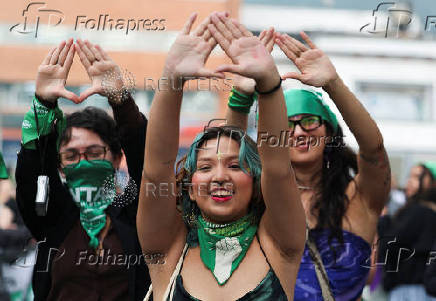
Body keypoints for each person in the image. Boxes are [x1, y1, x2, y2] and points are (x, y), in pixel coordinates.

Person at [137, 12, 306, 300]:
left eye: (234, 165)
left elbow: (277, 168)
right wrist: (172, 79)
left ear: (255, 181)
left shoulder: (278, 243)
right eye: (204, 167)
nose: (219, 176)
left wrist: (269, 84)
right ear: (189, 186)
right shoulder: (168, 247)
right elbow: (156, 169)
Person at [225, 30, 391, 300]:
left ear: (329, 132)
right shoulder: (259, 196)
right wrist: (242, 95)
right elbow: (229, 160)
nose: (300, 132)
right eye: (288, 125)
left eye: (310, 121)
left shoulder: (360, 197)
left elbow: (374, 151)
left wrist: (333, 83)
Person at [15, 38, 150, 301]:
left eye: (94, 153)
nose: (84, 162)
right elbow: (33, 177)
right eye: (71, 155)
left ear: (116, 157)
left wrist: (119, 99)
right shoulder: (52, 215)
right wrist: (43, 105)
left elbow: (148, 165)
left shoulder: (135, 213)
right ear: (60, 166)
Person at [380, 188, 436, 301]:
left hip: (411, 289)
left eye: (415, 177)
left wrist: (383, 220)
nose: (409, 182)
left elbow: (389, 243)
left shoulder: (420, 212)